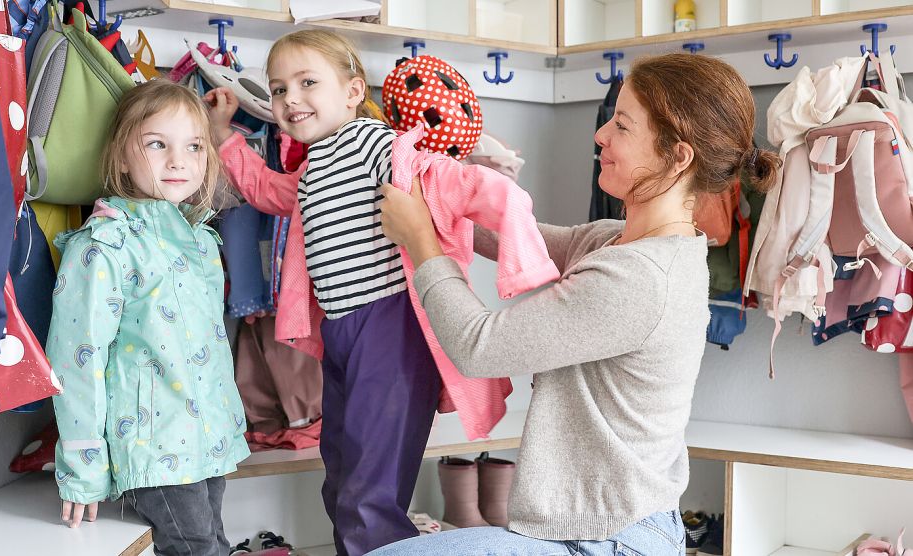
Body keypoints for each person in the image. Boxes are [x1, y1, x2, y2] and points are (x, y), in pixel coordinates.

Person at [369, 53, 780, 555]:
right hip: (610, 524)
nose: (601, 135)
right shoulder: (620, 241)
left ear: (678, 157)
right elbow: (521, 240)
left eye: (622, 126)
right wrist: (437, 196)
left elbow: (478, 347)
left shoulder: (638, 279)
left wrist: (420, 242)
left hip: (608, 541)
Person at [205, 29, 557, 556]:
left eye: (307, 83)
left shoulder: (375, 145)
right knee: (341, 474)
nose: (289, 99)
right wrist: (224, 137)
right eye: (278, 90)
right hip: (343, 332)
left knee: (371, 488)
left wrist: (517, 245)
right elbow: (269, 192)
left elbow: (459, 183)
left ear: (352, 91)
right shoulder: (311, 165)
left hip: (389, 327)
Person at [48, 79, 250, 556]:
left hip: (205, 442)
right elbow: (76, 364)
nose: (178, 161)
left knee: (214, 542)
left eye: (194, 146)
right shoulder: (105, 247)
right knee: (198, 548)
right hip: (154, 449)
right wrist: (83, 468)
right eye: (157, 144)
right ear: (121, 157)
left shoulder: (201, 240)